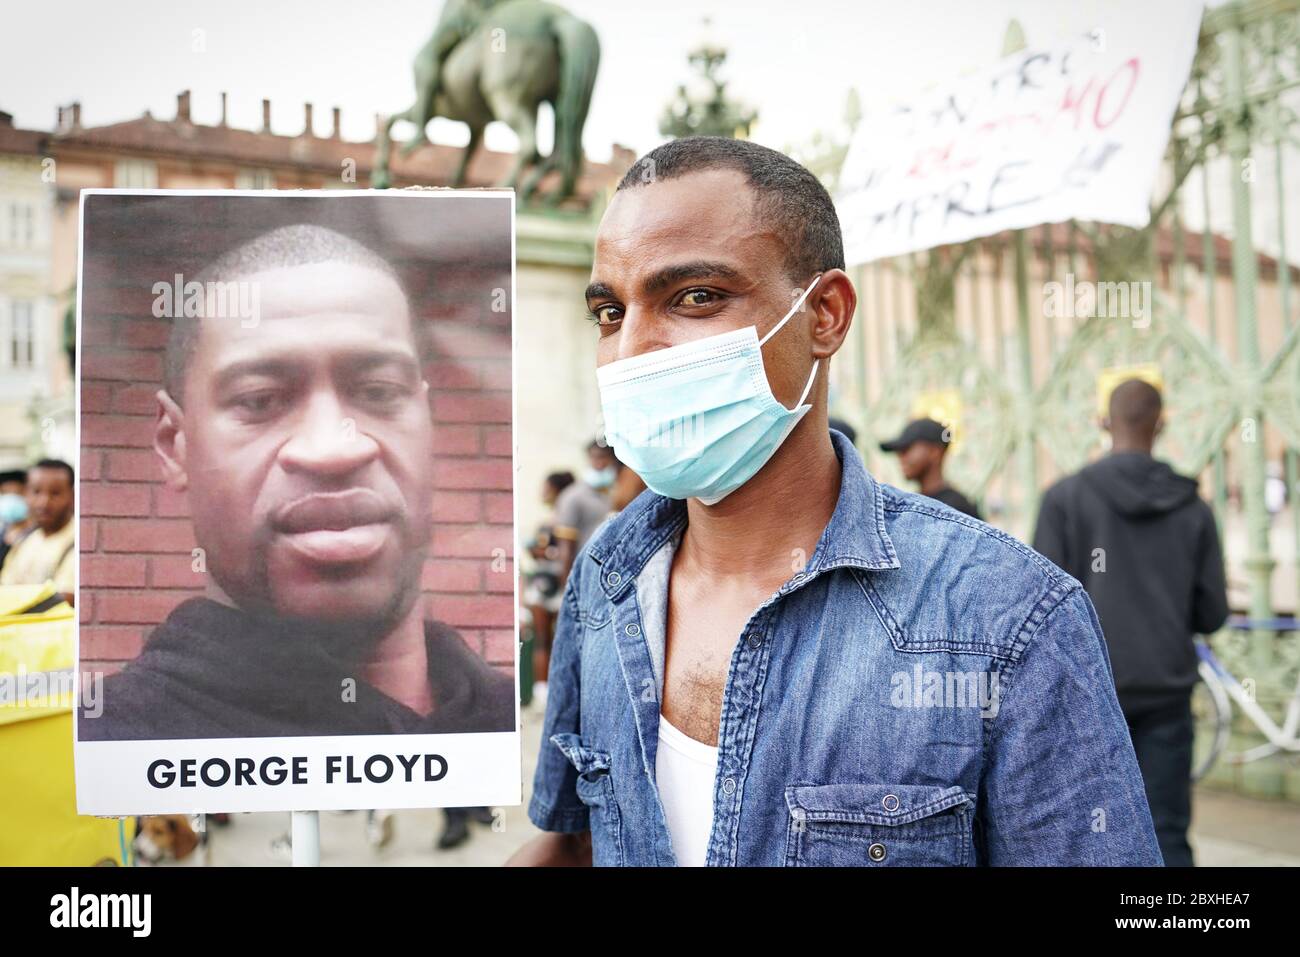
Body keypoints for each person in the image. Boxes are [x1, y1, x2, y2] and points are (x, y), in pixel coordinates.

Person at [509, 136, 1159, 867]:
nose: (631, 350)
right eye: (608, 311)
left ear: (825, 315)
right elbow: (577, 842)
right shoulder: (606, 578)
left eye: (695, 297)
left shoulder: (1008, 618)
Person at [78, 224, 512, 740]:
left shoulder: (528, 733)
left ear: (428, 421)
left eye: (379, 391)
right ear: (176, 445)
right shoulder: (111, 741)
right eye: (259, 400)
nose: (333, 449)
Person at [1032, 378, 1228, 867]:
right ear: (1161, 424)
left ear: (1104, 423)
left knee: (1087, 830)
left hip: (1089, 695)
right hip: (1168, 693)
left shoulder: (1065, 499)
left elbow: (1039, 610)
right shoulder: (1194, 508)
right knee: (1168, 828)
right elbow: (1214, 613)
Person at [0, 460, 75, 605]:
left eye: (55, 493)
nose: (43, 502)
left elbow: (66, 598)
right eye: (36, 492)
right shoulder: (25, 540)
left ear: (72, 496)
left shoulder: (78, 543)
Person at [880, 418, 981, 519]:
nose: (900, 457)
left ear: (935, 451)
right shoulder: (914, 502)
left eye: (906, 449)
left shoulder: (956, 508)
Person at [551, 441, 617, 590]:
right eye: (594, 458)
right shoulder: (573, 496)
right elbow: (565, 547)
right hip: (584, 576)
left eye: (604, 458)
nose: (599, 463)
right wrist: (567, 589)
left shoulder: (617, 494)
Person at [0, 468, 31, 572]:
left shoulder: (36, 533)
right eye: (5, 493)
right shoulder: (3, 531)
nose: (11, 499)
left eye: (16, 493)